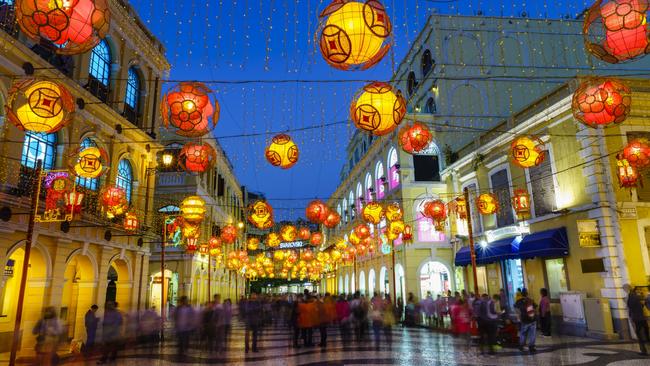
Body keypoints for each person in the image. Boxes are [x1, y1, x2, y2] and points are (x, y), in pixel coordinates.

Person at [624, 284, 649, 356]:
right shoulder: (638, 297)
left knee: (640, 334)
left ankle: (644, 350)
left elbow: (630, 307)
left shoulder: (631, 297)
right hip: (642, 317)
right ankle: (646, 349)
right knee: (645, 334)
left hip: (637, 318)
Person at [515, 288, 537, 354]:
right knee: (532, 334)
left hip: (524, 320)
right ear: (527, 293)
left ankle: (521, 346)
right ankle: (531, 347)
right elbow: (535, 308)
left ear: (521, 294)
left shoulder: (518, 301)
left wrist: (519, 317)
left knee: (523, 333)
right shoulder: (531, 300)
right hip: (532, 319)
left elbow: (516, 310)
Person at [174, 296, 195, 360]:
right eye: (185, 300)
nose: (186, 301)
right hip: (180, 327)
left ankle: (184, 350)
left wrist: (191, 323)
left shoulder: (190, 308)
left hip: (187, 328)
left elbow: (192, 316)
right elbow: (175, 316)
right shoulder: (178, 308)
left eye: (186, 300)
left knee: (186, 340)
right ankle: (181, 352)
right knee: (180, 340)